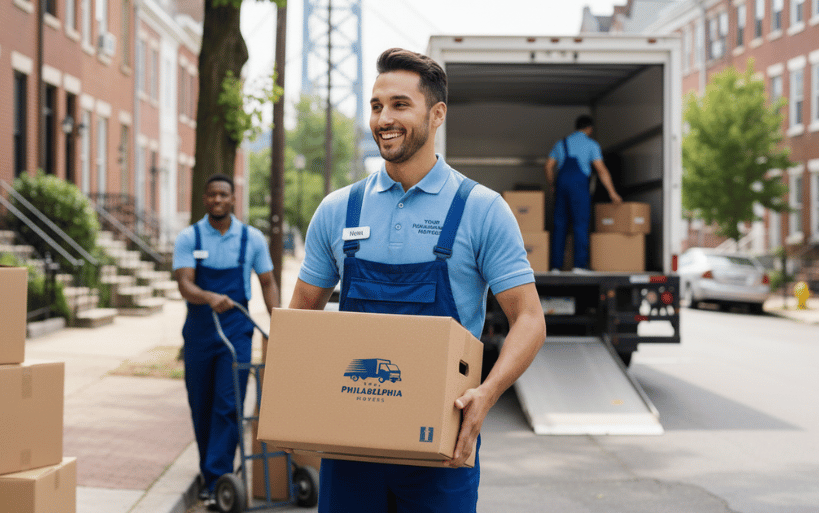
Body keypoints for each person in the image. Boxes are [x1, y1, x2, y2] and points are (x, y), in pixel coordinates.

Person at [289, 48, 546, 512]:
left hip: (441, 450)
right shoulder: (337, 211)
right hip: (351, 446)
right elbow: (301, 317)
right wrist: (292, 407)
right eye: (376, 105)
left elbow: (529, 319)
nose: (384, 118)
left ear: (437, 113)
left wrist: (486, 396)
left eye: (400, 105)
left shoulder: (481, 209)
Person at [172, 173, 278, 507]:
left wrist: (282, 325)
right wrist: (208, 296)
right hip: (201, 332)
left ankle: (217, 479)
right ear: (204, 199)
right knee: (201, 404)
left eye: (223, 194)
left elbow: (267, 282)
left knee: (228, 403)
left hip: (236, 331)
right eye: (212, 195)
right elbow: (185, 285)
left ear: (233, 199)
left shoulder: (252, 239)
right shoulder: (189, 237)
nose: (217, 200)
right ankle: (211, 472)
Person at [545, 115, 622, 270]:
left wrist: (553, 185)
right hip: (579, 187)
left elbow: (548, 166)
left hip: (562, 185)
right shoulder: (591, 145)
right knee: (580, 224)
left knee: (560, 225)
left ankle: (555, 267)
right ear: (589, 128)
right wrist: (612, 192)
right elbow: (601, 170)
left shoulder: (562, 143)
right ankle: (579, 266)